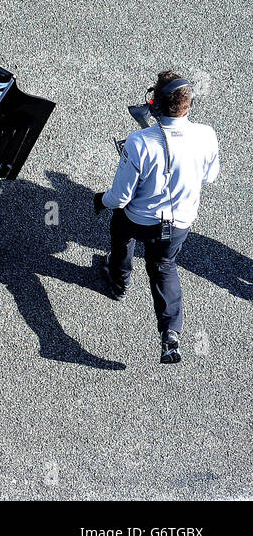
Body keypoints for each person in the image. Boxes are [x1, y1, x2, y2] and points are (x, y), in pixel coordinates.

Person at [94, 72, 220, 364]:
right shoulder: (206, 134)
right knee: (164, 266)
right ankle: (170, 334)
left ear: (155, 104)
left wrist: (100, 200)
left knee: (121, 233)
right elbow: (210, 176)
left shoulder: (139, 142)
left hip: (139, 218)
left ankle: (119, 280)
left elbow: (120, 198)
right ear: (188, 103)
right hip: (179, 224)